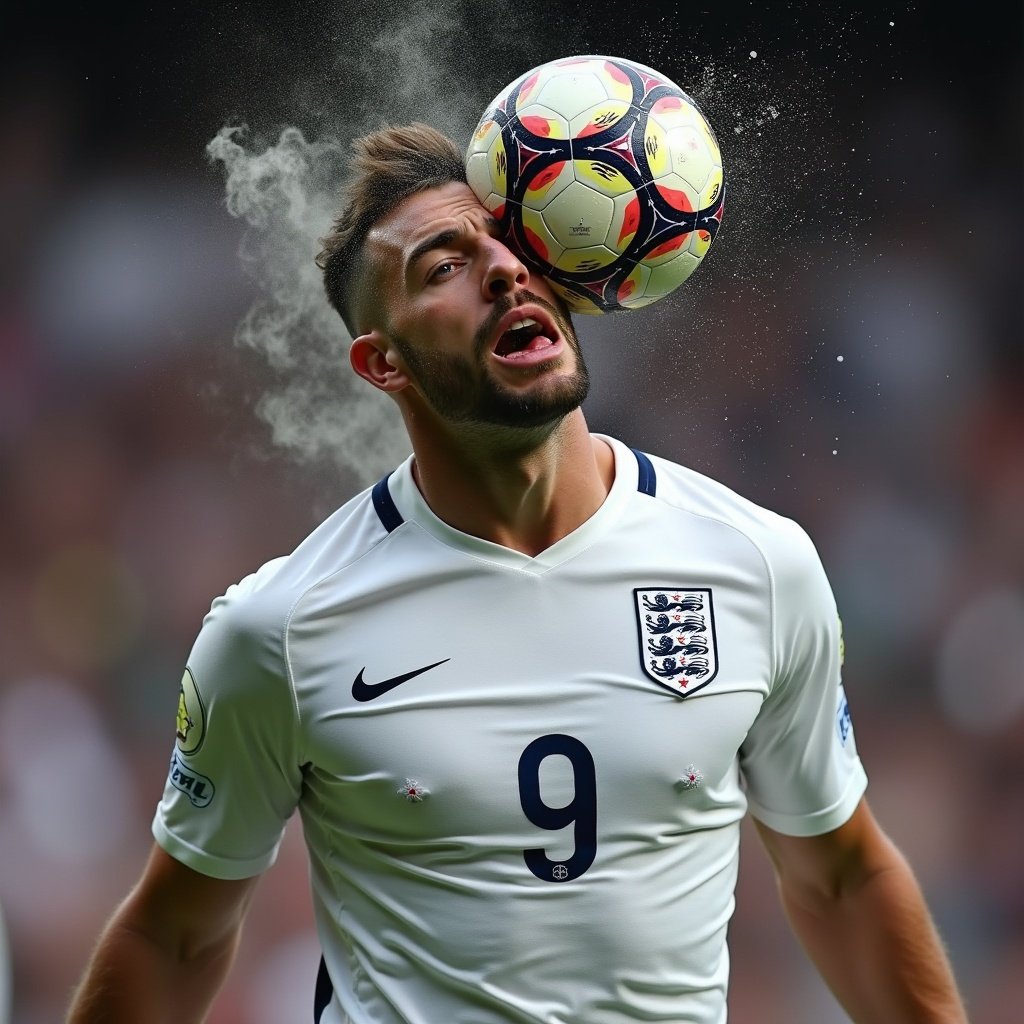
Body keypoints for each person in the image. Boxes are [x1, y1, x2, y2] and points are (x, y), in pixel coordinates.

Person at [66, 121, 968, 1024]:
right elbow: (174, 936)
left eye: (515, 242)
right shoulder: (281, 629)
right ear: (384, 363)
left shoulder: (759, 564)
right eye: (442, 268)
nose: (502, 269)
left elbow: (841, 878)